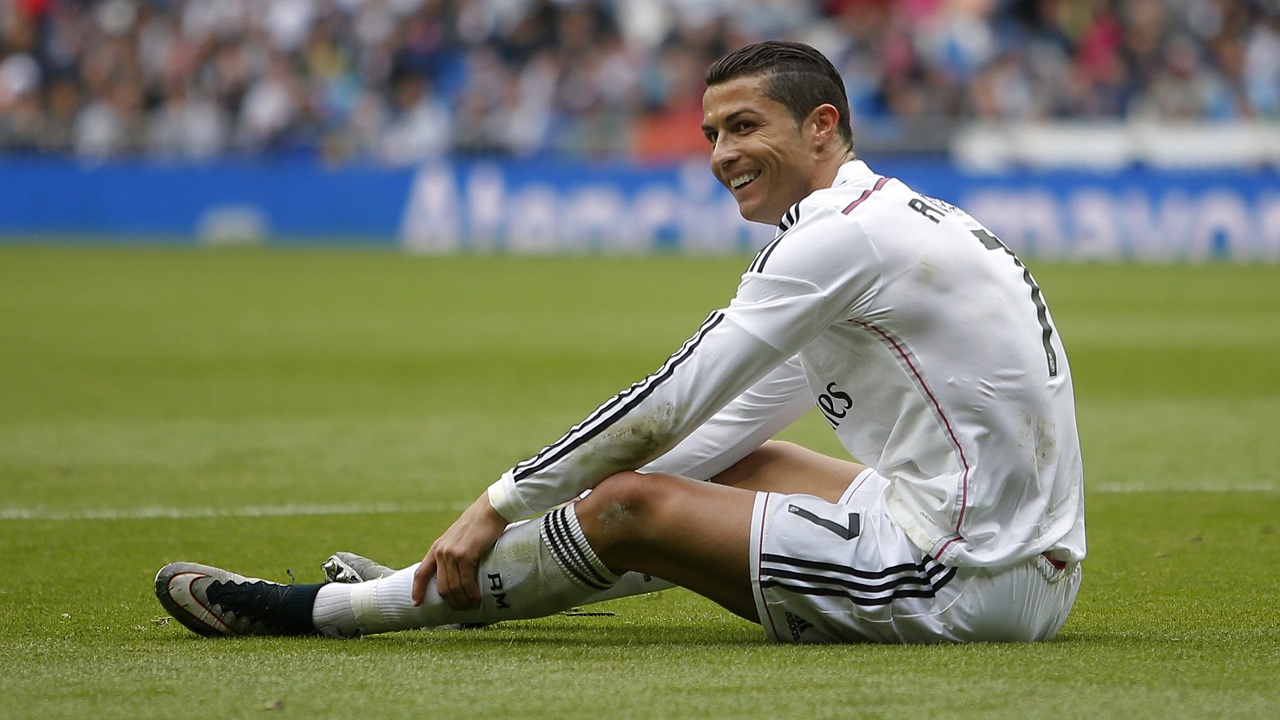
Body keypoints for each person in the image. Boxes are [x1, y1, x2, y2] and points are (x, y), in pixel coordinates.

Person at [155, 40, 1084, 644]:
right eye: (714, 131)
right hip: (1032, 563)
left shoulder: (838, 238)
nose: (722, 153)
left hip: (967, 583)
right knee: (722, 467)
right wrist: (545, 527)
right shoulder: (888, 219)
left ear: (823, 126)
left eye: (747, 127)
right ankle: (445, 589)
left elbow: (674, 397)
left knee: (636, 507)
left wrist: (499, 505)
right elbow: (724, 425)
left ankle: (337, 614)